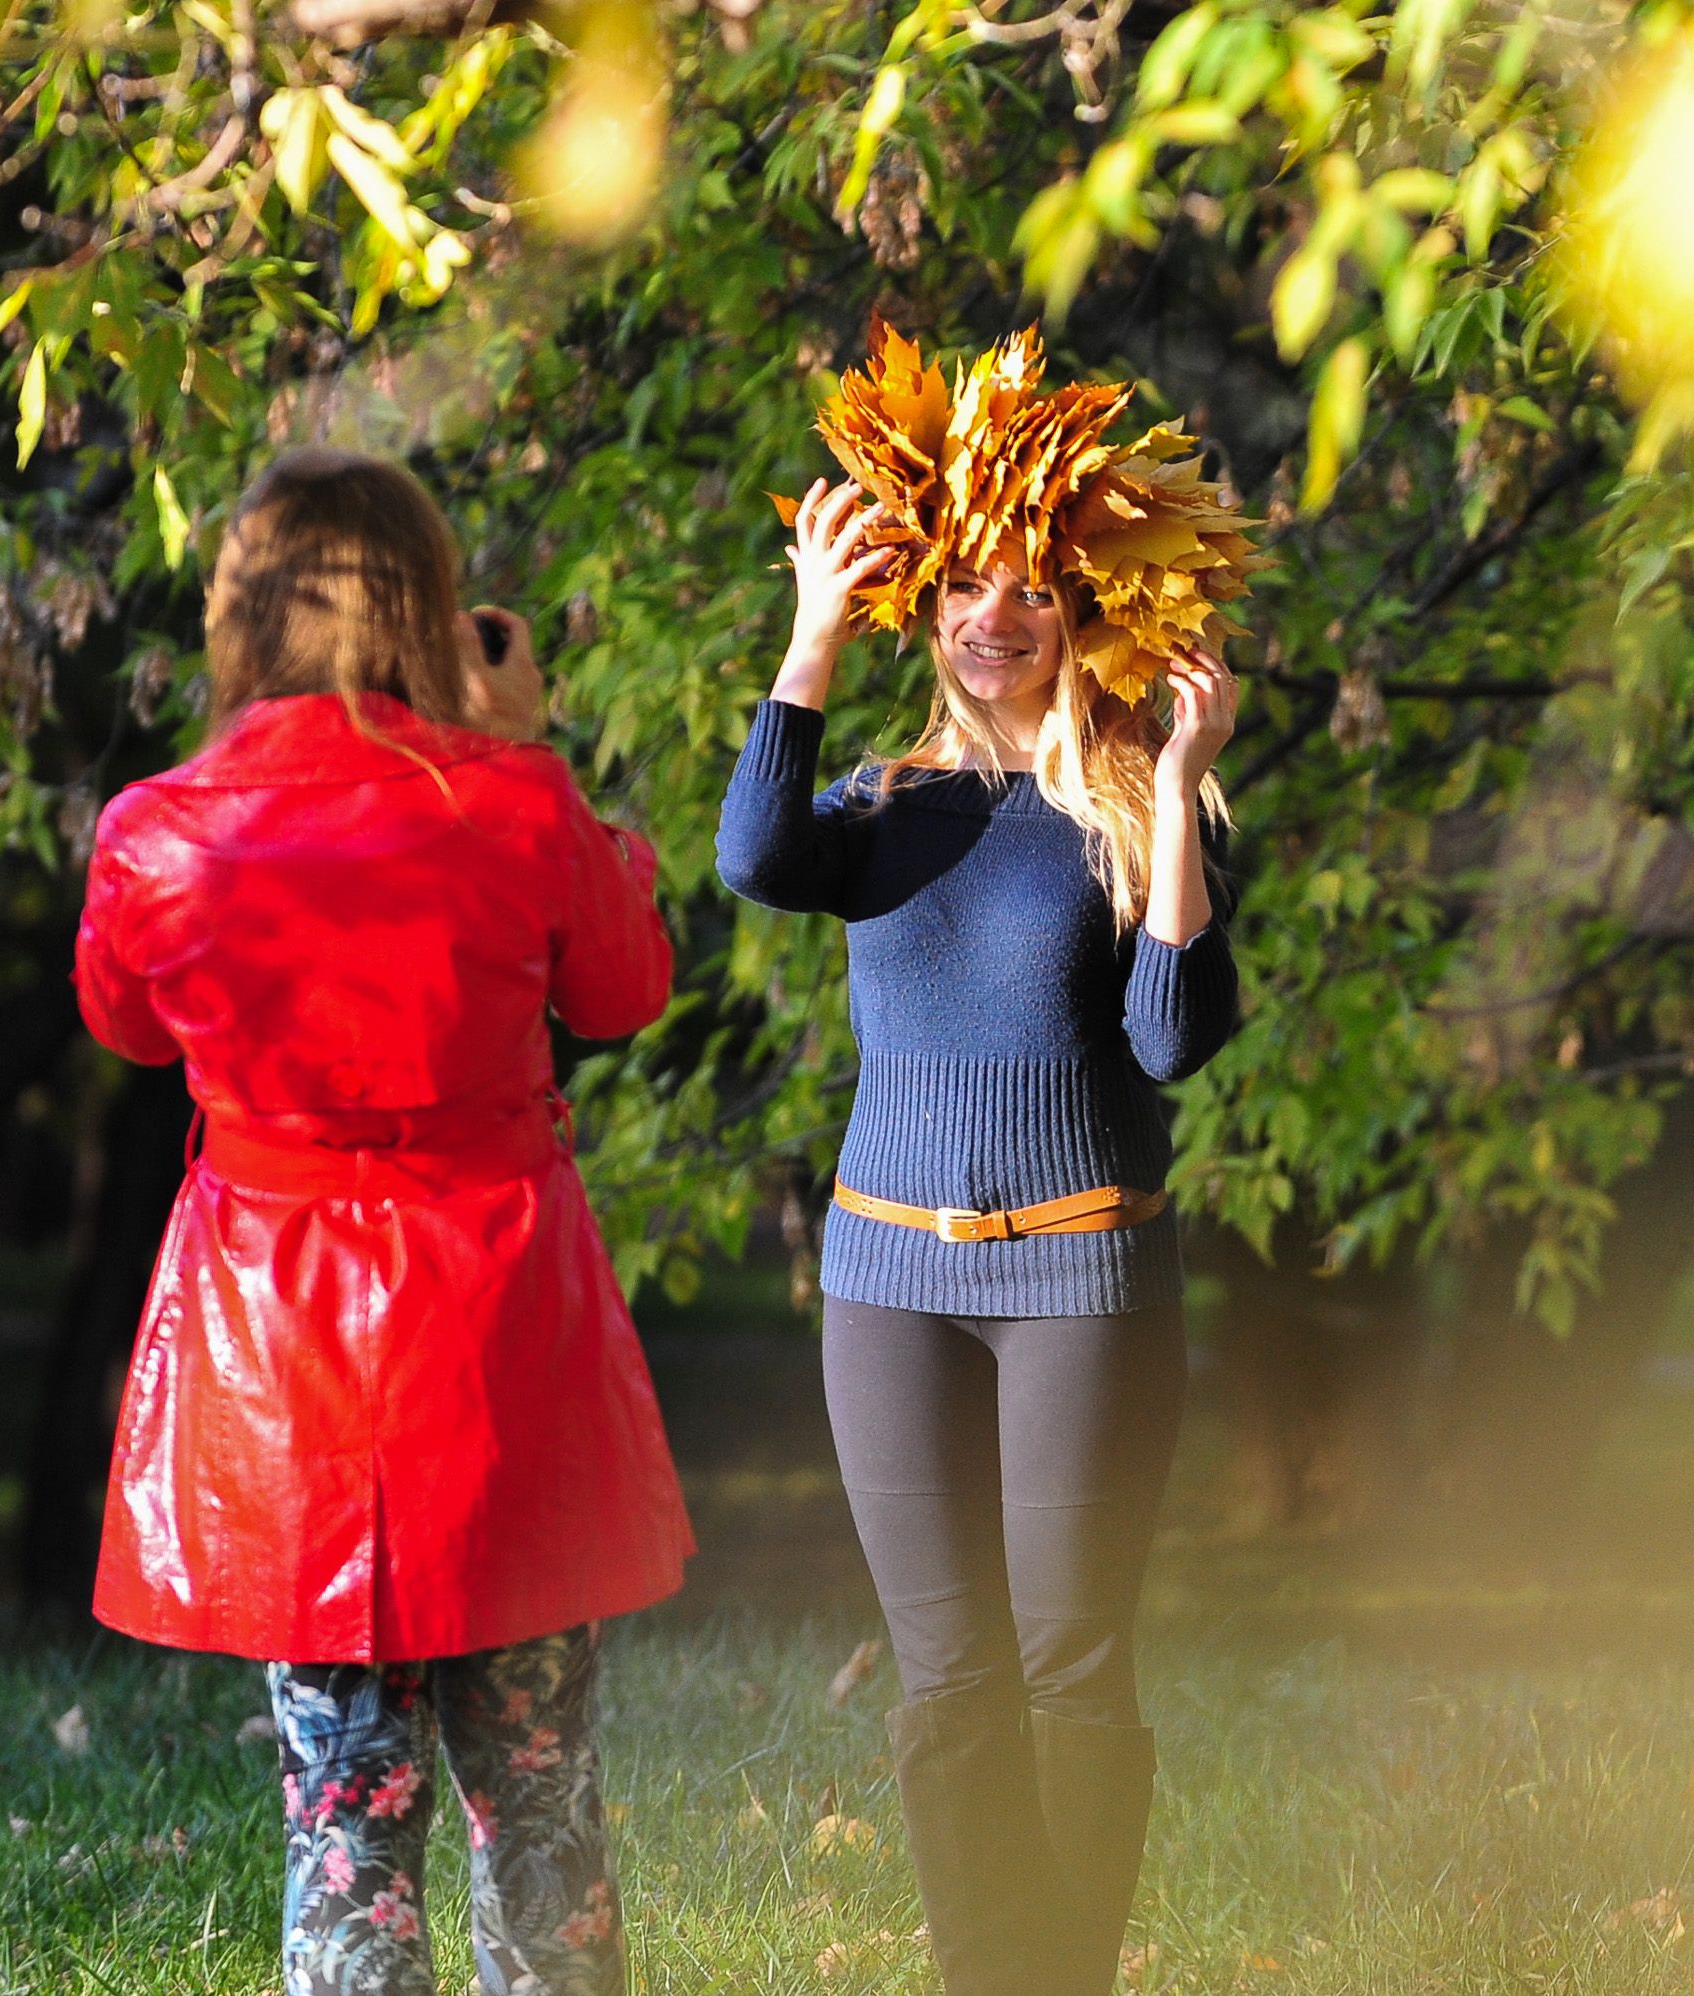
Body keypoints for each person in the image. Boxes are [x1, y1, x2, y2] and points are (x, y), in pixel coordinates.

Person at [72, 448, 694, 1996]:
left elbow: (130, 1030)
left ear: (245, 611)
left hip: (286, 1371)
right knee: (542, 1802)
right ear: (428, 605)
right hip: (500, 1352)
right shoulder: (514, 801)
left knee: (344, 1829)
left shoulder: (161, 831)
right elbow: (624, 987)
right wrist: (523, 749)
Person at [715, 325, 1251, 1996]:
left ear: (1084, 608)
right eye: (965, 583)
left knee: (1071, 1661)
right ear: (925, 603)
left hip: (1083, 1276)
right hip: (887, 1280)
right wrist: (807, 642)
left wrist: (1171, 791)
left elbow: (1173, 1039)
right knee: (947, 1674)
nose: (992, 613)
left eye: (1029, 586)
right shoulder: (882, 801)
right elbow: (755, 858)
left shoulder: (1136, 814)